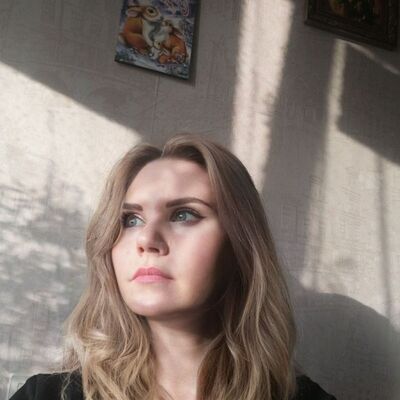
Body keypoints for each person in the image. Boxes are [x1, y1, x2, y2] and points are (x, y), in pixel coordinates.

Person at [11, 133, 336, 400]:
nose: (146, 239)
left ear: (240, 246)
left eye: (184, 215)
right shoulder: (44, 395)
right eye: (130, 220)